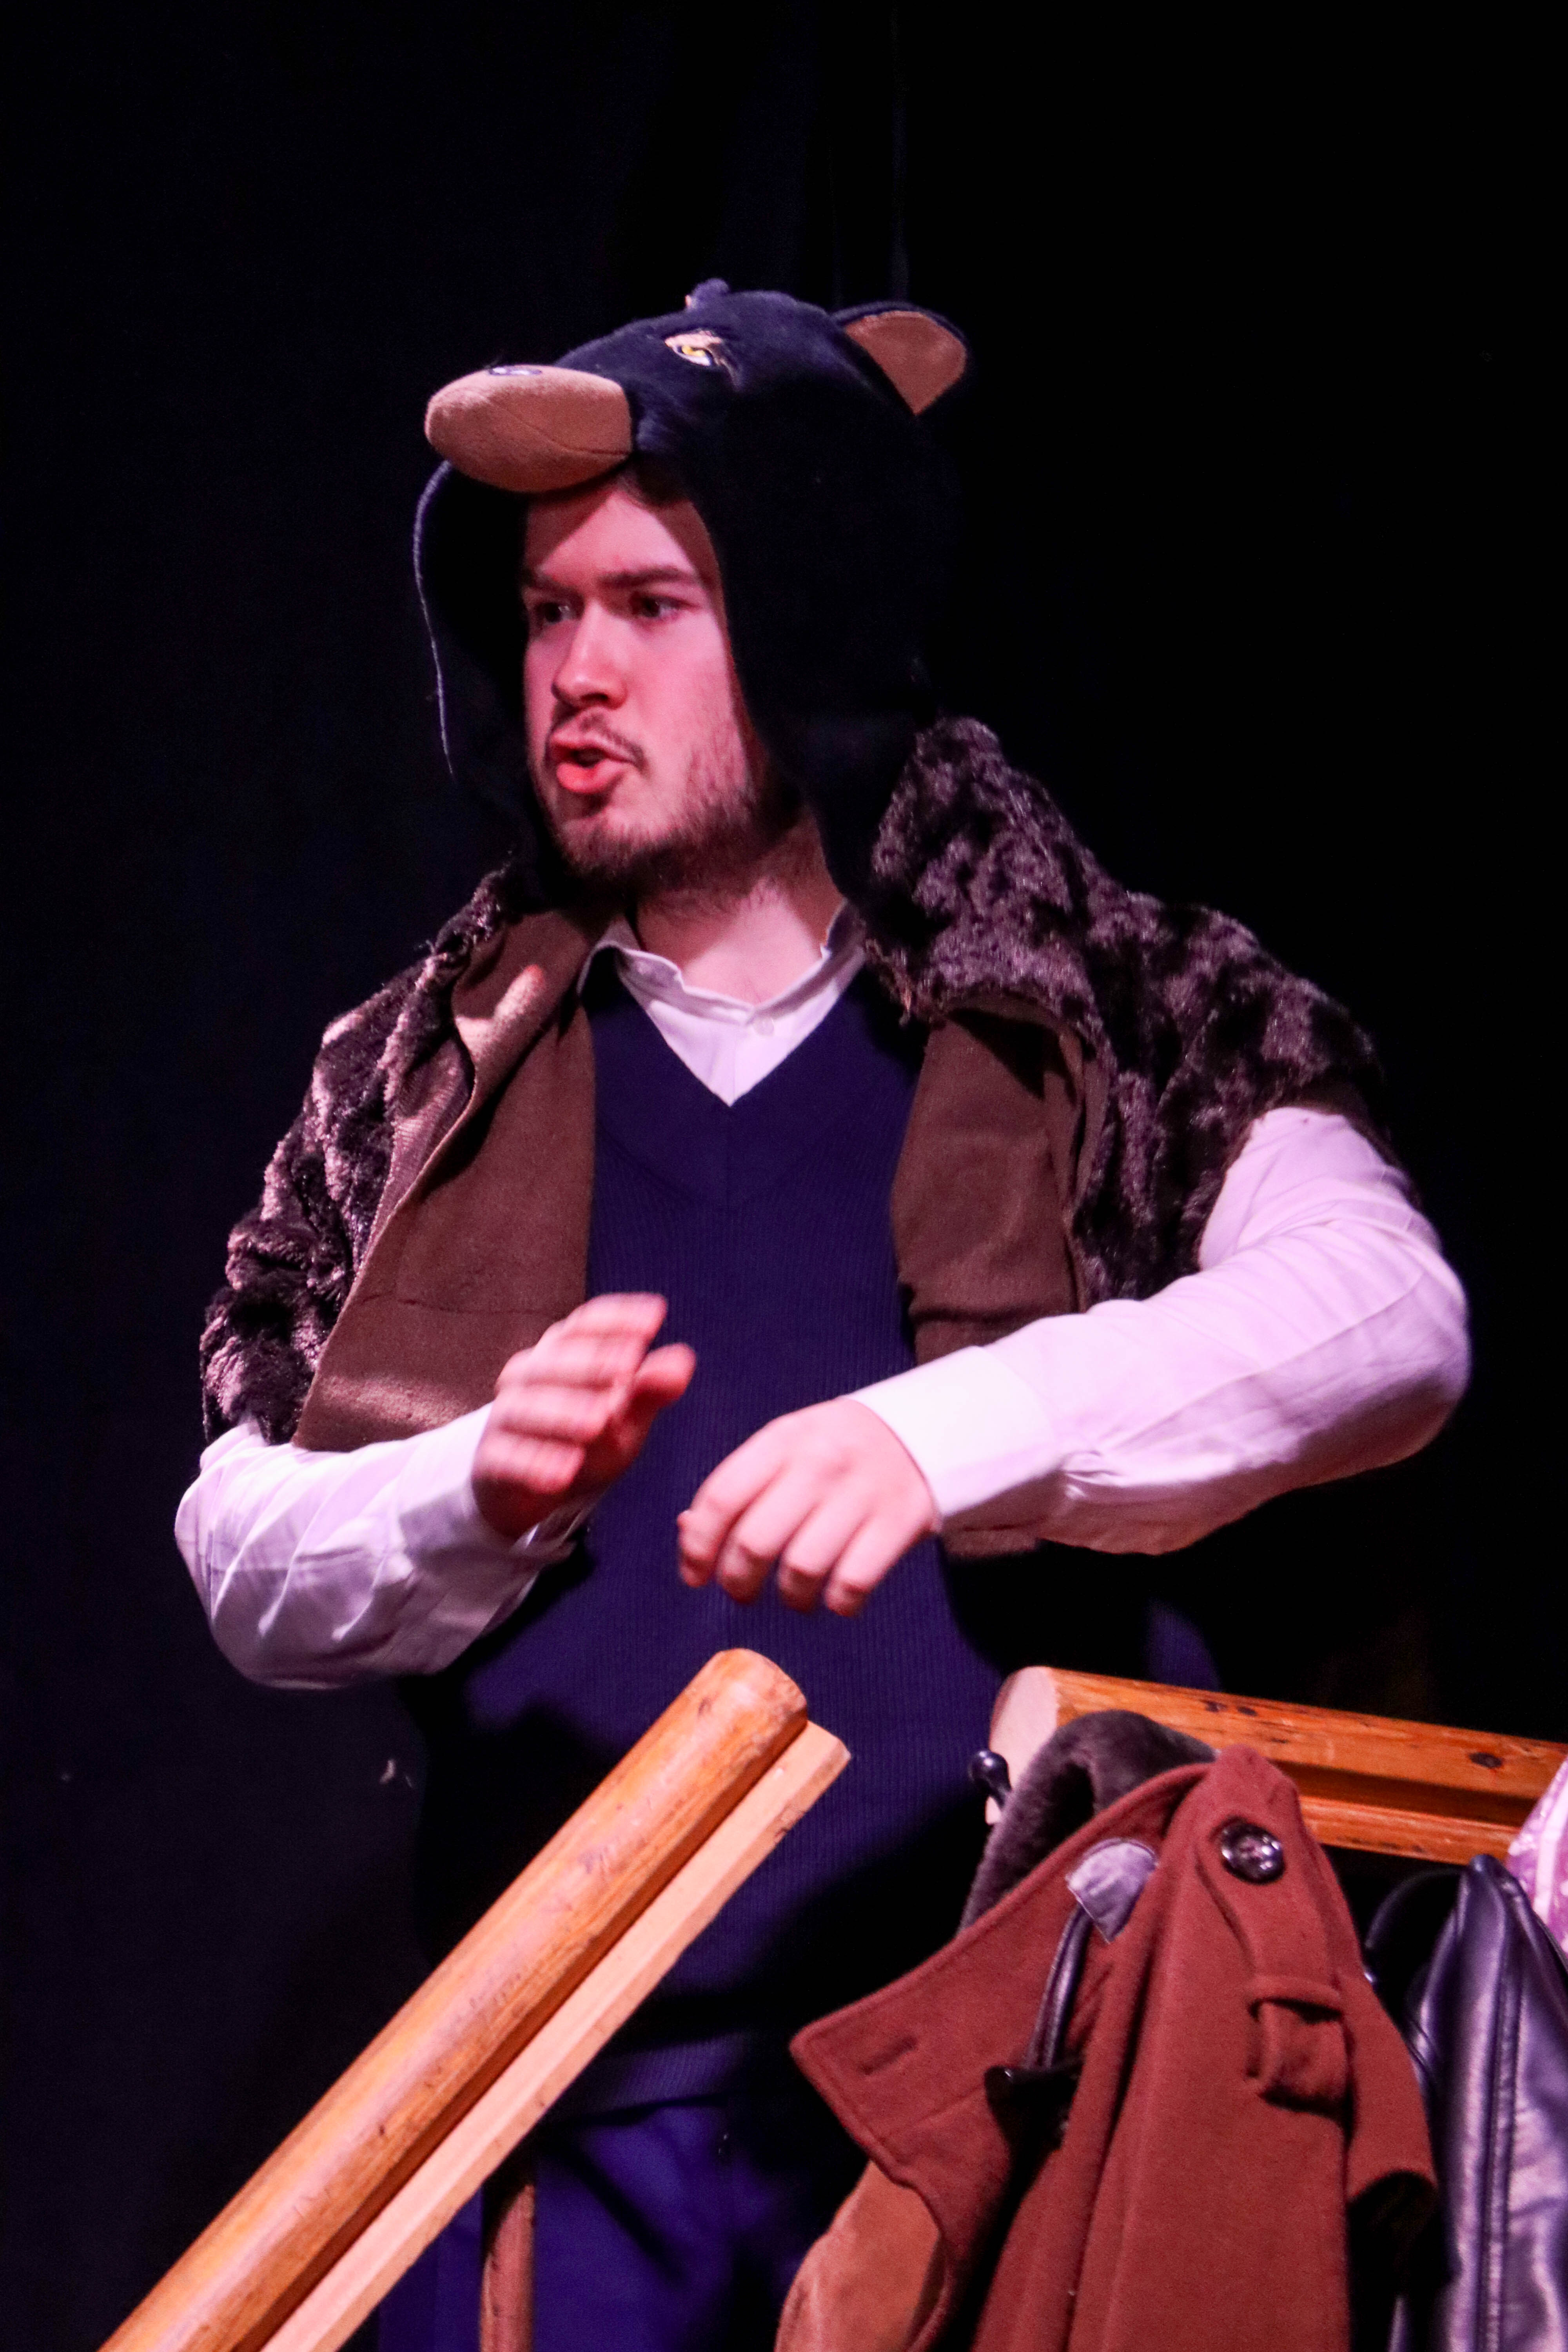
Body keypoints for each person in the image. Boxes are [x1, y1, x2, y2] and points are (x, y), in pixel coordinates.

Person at [176, 283, 1469, 2349]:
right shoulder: (428, 1071)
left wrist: (933, 1435)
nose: (576, 670)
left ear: (810, 619)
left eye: (652, 604)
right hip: (570, 2140)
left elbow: (1389, 1320)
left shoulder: (1111, 1004)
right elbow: (241, 1538)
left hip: (1033, 2127)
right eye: (546, 612)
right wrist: (467, 1482)